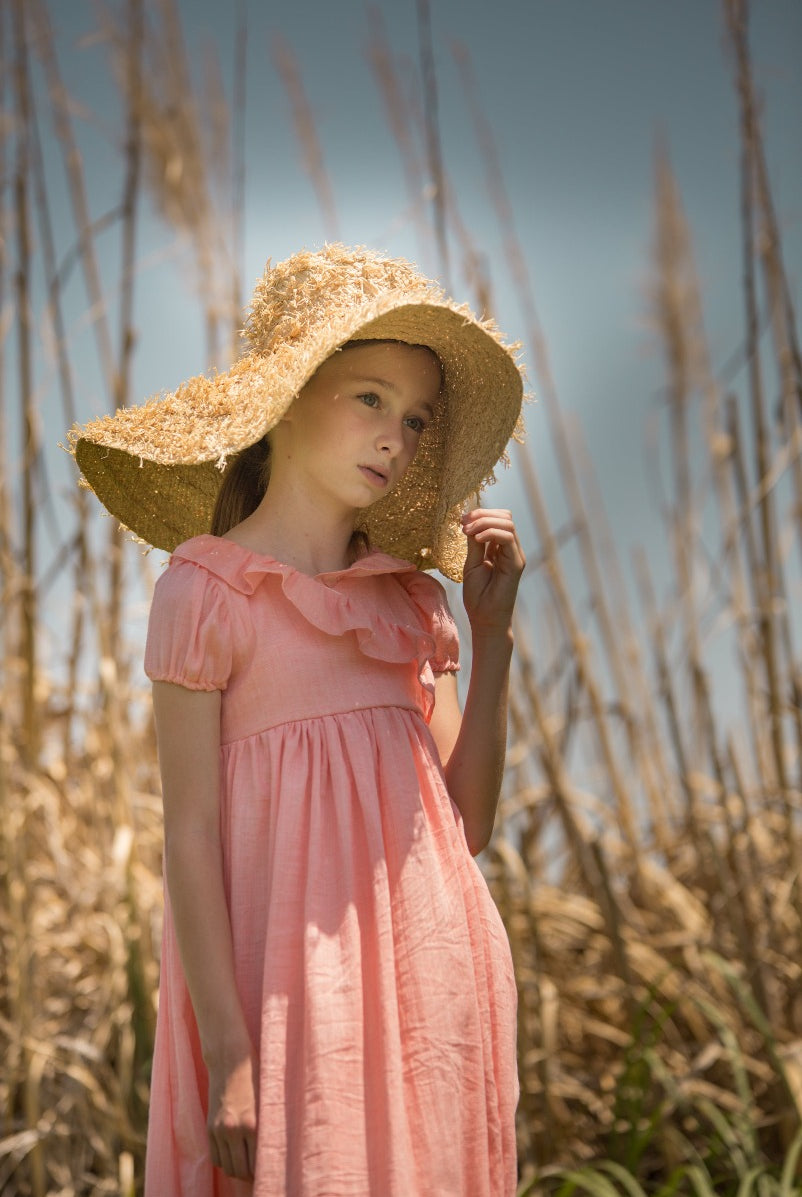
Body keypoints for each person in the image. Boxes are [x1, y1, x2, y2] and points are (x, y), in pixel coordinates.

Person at [70, 244, 526, 1196]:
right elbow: (190, 838)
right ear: (286, 398)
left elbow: (467, 823)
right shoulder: (207, 589)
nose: (395, 436)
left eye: (413, 418)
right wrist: (230, 1052)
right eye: (369, 398)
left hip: (430, 990)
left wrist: (493, 640)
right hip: (287, 995)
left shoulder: (407, 601)